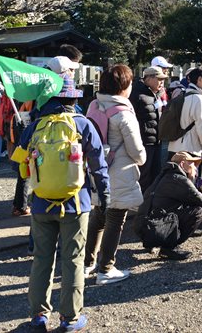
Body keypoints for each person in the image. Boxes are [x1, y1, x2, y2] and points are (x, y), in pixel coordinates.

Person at [18, 74, 110, 332]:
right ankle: (69, 318)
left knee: (41, 259)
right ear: (73, 98)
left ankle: (39, 316)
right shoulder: (83, 124)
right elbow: (98, 166)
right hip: (75, 203)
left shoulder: (35, 126)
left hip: (41, 203)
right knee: (72, 259)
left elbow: (21, 165)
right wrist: (105, 195)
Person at [84, 65, 146, 286]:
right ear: (123, 86)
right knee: (115, 220)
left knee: (98, 216)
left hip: (96, 170)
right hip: (119, 173)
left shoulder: (93, 105)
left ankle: (87, 263)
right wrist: (142, 160)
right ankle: (106, 269)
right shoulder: (123, 112)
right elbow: (137, 151)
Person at [133, 151, 202, 260]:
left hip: (143, 226)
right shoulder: (181, 180)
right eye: (192, 164)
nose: (195, 168)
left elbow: (185, 196)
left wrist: (201, 189)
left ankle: (154, 242)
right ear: (183, 164)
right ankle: (169, 248)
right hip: (154, 229)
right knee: (198, 212)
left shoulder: (163, 176)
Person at [130, 66, 167, 192]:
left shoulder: (155, 94)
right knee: (144, 176)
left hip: (156, 140)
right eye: (159, 79)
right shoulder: (137, 94)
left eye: (163, 79)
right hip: (144, 142)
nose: (162, 82)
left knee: (155, 174)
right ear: (149, 78)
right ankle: (140, 206)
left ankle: (149, 204)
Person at [168, 67, 202, 159]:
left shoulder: (184, 95)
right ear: (200, 80)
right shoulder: (199, 99)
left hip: (174, 146)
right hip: (190, 150)